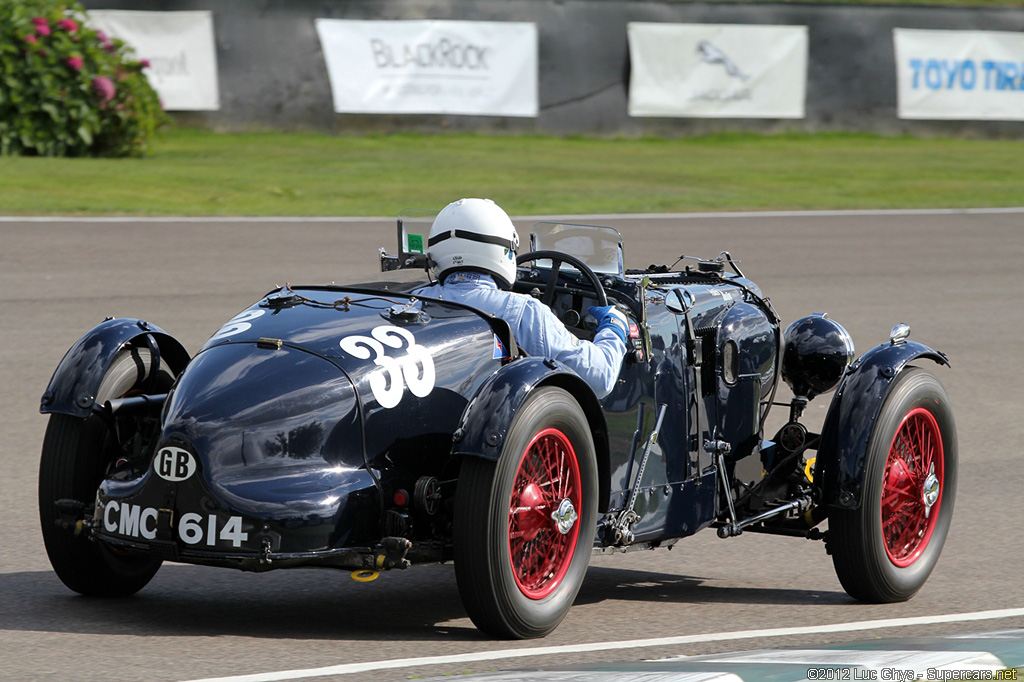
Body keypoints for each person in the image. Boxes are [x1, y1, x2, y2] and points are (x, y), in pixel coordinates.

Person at [414, 198, 628, 398]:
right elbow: (600, 378)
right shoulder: (524, 311)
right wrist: (615, 327)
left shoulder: (412, 301)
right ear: (504, 249)